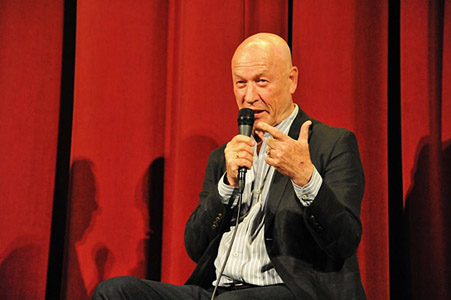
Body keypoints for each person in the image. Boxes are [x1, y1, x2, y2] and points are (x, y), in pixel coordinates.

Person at [93, 33, 366, 300]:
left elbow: (344, 241)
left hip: (295, 291)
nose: (249, 96)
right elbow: (195, 247)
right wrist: (226, 187)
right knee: (114, 291)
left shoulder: (331, 144)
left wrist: (305, 178)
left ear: (291, 79)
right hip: (217, 290)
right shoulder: (224, 157)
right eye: (240, 83)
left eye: (261, 82)